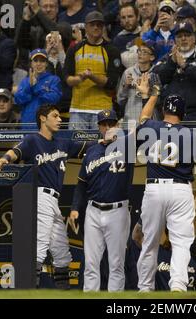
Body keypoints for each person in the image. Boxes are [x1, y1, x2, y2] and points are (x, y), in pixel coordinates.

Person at [0, 104, 92, 289]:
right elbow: (16, 152)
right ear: (43, 118)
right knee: (40, 245)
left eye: (60, 116)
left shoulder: (63, 143)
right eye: (55, 115)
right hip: (39, 195)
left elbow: (89, 149)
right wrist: (3, 159)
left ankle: (63, 292)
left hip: (54, 199)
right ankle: (28, 290)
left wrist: (107, 142)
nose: (60, 119)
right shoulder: (32, 140)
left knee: (62, 251)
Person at [135, 74, 196, 292]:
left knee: (150, 242)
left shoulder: (152, 127)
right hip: (180, 189)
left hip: (154, 188)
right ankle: (179, 287)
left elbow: (143, 117)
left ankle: (145, 289)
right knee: (181, 242)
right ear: (183, 113)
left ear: (164, 111)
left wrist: (151, 95)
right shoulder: (191, 134)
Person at [70, 110, 134, 292]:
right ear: (98, 127)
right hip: (93, 211)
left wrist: (147, 96)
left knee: (116, 264)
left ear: (117, 125)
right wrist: (75, 207)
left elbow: (140, 128)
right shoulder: (92, 151)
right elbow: (81, 184)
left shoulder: (126, 146)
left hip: (118, 211)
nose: (107, 127)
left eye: (111, 123)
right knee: (91, 263)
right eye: (104, 124)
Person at [64, 11, 122, 130]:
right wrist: (80, 78)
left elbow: (112, 83)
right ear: (86, 27)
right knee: (76, 147)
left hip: (103, 108)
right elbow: (67, 79)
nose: (96, 27)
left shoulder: (112, 50)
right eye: (92, 24)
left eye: (99, 25)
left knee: (103, 145)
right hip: (78, 108)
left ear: (103, 27)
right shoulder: (74, 49)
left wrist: (92, 76)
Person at [152, 22, 196, 124]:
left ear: (194, 38)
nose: (183, 39)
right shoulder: (168, 58)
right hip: (171, 115)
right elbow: (157, 78)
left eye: (187, 35)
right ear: (175, 40)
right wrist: (172, 63)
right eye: (179, 36)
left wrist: (185, 66)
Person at [14, 48, 62, 129]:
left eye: (42, 61)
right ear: (31, 64)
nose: (38, 64)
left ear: (46, 64)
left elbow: (54, 99)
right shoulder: (25, 81)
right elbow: (18, 100)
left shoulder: (54, 79)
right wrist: (29, 86)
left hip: (47, 125)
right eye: (35, 61)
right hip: (28, 124)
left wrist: (36, 88)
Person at [117, 41, 161, 123]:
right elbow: (120, 99)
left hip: (149, 119)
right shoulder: (128, 72)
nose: (140, 54)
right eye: (139, 50)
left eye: (144, 52)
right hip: (130, 119)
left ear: (152, 57)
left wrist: (148, 91)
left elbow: (158, 101)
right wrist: (125, 86)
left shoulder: (156, 74)